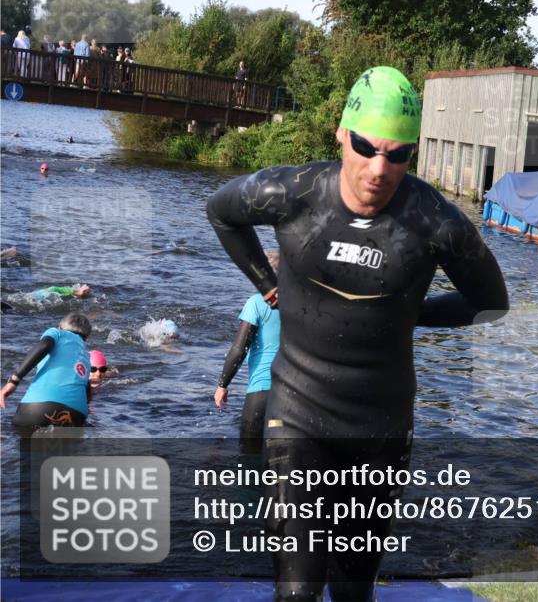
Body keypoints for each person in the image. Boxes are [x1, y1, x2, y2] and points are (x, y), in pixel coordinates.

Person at [206, 65, 508, 601]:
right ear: (342, 133)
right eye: (367, 146)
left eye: (398, 154)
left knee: (352, 590)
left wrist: (412, 313)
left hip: (380, 425)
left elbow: (491, 305)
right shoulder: (291, 191)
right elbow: (221, 213)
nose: (378, 168)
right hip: (297, 409)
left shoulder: (436, 222)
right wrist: (268, 284)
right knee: (297, 590)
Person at [214, 249, 281, 447]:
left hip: (262, 391)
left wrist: (222, 385)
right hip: (295, 396)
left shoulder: (256, 303)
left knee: (250, 459)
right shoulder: (301, 303)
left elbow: (239, 349)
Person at [0, 312, 93, 430]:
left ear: (60, 327)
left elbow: (44, 345)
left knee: (20, 442)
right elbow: (86, 389)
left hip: (39, 408)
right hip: (77, 415)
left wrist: (14, 380)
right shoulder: (86, 353)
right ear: (85, 337)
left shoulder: (57, 333)